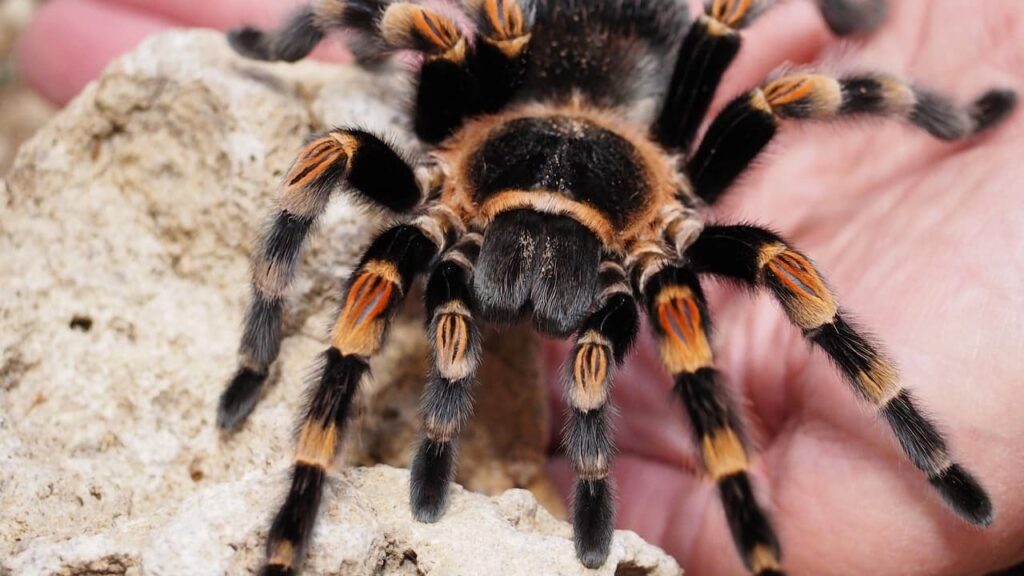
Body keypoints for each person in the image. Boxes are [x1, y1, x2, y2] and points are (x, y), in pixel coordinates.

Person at [18, 1, 1024, 574]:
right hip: (494, 154)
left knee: (771, 91)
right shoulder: (444, 179)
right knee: (443, 45)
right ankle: (293, 520)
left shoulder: (666, 217)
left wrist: (932, 95)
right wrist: (263, 329)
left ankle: (774, 536)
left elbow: (793, 92)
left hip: (635, 146)